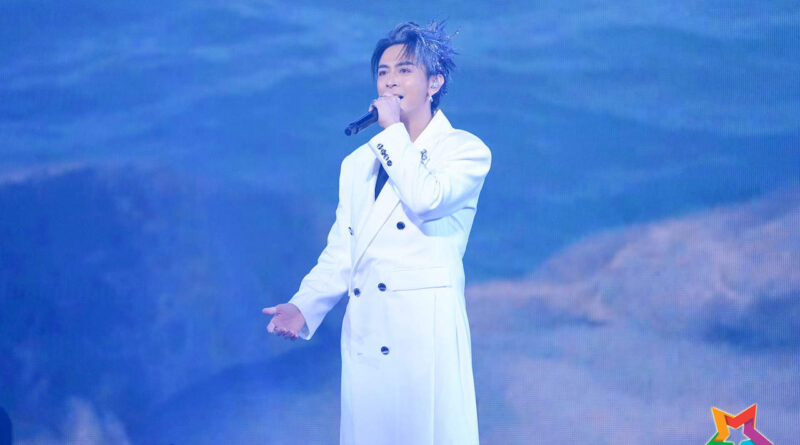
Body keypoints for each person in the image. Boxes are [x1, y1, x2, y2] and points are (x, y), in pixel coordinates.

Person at [262, 20, 491, 445]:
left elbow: (425, 198)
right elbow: (343, 251)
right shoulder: (357, 165)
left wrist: (393, 133)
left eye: (404, 70)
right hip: (368, 334)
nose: (390, 81)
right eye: (383, 72)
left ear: (435, 82)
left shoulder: (465, 150)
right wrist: (304, 306)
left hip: (424, 336)